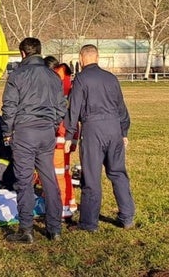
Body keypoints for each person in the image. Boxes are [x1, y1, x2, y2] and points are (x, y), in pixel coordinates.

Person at [1, 37, 66, 243]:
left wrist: (7, 131)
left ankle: (26, 229)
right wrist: (52, 124)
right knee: (49, 179)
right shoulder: (53, 76)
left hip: (24, 131)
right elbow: (61, 107)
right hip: (46, 131)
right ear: (39, 51)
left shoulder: (17, 74)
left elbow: (9, 106)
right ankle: (54, 228)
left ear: (22, 53)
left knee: (24, 180)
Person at [63, 44, 135, 232]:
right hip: (114, 127)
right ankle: (127, 217)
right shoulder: (111, 78)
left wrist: (70, 135)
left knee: (91, 177)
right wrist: (123, 132)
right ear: (98, 57)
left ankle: (88, 223)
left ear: (81, 58)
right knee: (118, 173)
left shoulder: (81, 79)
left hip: (93, 129)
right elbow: (121, 108)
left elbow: (74, 108)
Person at [44, 56, 78, 218]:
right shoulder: (65, 84)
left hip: (58, 136)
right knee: (63, 172)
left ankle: (63, 207)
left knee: (57, 174)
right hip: (67, 136)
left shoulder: (55, 85)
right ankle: (68, 202)